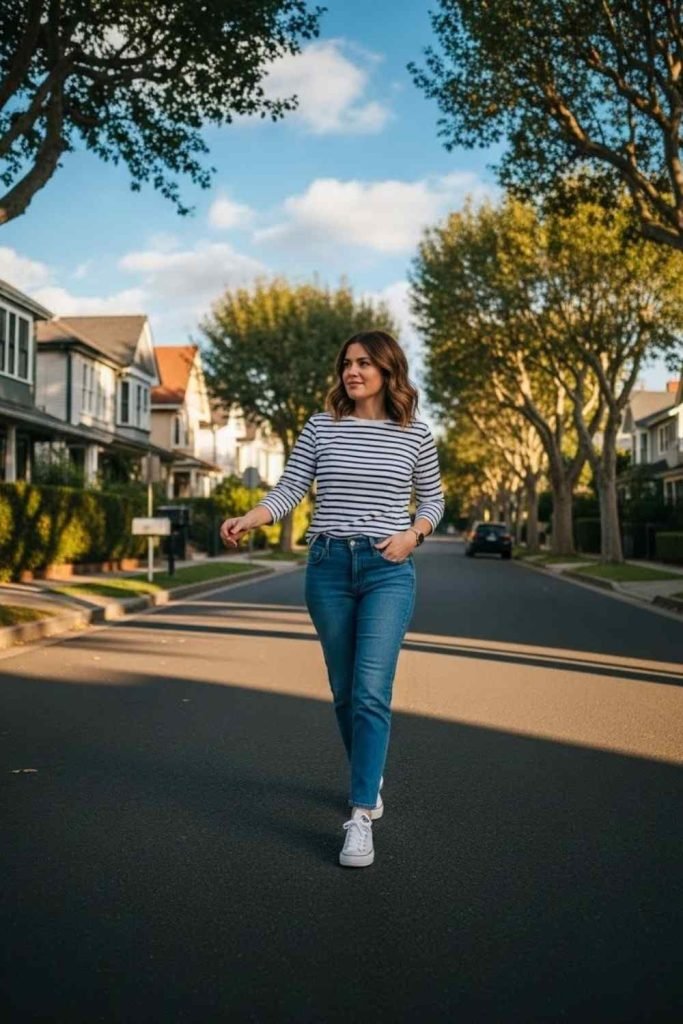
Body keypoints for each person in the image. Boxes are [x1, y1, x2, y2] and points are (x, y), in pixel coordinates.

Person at [219, 330, 444, 868]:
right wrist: (252, 517)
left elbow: (432, 500)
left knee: (370, 689)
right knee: (344, 691)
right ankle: (371, 772)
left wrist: (413, 536)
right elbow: (290, 488)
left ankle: (361, 812)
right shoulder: (322, 427)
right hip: (327, 568)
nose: (353, 371)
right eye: (347, 363)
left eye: (365, 363)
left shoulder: (415, 434)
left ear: (389, 370)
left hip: (387, 568)